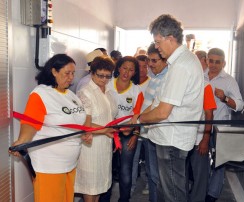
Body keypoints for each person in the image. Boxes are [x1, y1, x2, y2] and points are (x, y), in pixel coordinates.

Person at [136, 14, 204, 202]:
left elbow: (163, 111)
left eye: (158, 42)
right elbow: (159, 101)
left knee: (173, 194)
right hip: (170, 138)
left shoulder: (181, 65)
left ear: (170, 38)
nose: (156, 47)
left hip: (172, 140)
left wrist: (139, 119)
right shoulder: (180, 62)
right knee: (169, 191)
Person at [9, 54, 89, 202]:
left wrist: (87, 132)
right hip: (49, 165)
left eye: (73, 73)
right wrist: (22, 140)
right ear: (54, 72)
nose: (71, 77)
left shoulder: (71, 95)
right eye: (67, 73)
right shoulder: (41, 94)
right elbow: (30, 122)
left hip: (69, 164)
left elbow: (78, 121)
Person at [74, 56, 117, 202]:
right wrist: (106, 130)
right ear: (92, 73)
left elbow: (111, 117)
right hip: (90, 146)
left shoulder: (108, 91)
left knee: (99, 186)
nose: (104, 79)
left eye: (108, 76)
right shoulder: (85, 92)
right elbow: (84, 123)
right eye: (100, 76)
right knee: (90, 187)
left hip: (105, 145)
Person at [204, 48, 244, 202]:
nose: (213, 65)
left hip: (220, 128)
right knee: (200, 161)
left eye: (217, 62)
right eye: (211, 60)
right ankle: (200, 189)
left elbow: (240, 105)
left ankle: (211, 196)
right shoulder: (200, 77)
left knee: (219, 162)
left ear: (224, 63)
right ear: (207, 60)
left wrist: (225, 98)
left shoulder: (228, 80)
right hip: (200, 127)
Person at [133, 43, 168, 202]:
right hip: (148, 133)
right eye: (149, 60)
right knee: (152, 175)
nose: (150, 65)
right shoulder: (155, 77)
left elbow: (158, 109)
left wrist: (138, 119)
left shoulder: (167, 79)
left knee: (158, 176)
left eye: (154, 61)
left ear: (165, 60)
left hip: (158, 134)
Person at [108, 56, 144, 202]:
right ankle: (104, 198)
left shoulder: (137, 91)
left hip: (128, 134)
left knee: (125, 170)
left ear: (134, 72)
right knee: (106, 169)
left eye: (131, 70)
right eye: (124, 68)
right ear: (118, 68)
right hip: (107, 133)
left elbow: (138, 116)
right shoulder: (107, 85)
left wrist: (135, 135)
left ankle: (124, 199)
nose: (126, 72)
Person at [187, 52, 217, 202]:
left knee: (200, 176)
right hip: (182, 139)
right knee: (182, 175)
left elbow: (209, 115)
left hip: (199, 139)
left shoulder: (206, 86)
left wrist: (205, 139)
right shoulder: (182, 84)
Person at [131, 54, 151, 195]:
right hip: (134, 129)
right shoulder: (131, 84)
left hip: (150, 129)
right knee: (133, 159)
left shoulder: (153, 82)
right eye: (139, 67)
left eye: (145, 66)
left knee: (150, 162)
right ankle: (130, 187)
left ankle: (150, 185)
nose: (142, 70)